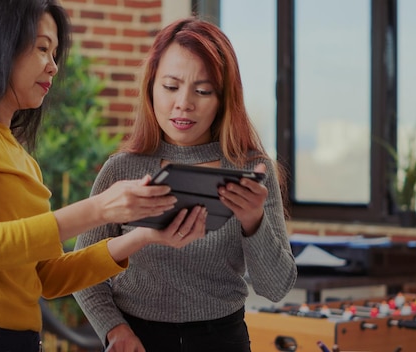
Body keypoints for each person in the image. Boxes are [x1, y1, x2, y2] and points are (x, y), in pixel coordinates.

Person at [0, 2, 209, 352]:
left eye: (55, 53)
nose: (53, 66)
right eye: (43, 48)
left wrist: (142, 236)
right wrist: (100, 209)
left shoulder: (20, 155)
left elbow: (46, 277)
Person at [73, 17, 297, 352]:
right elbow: (81, 270)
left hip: (223, 340)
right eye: (171, 86)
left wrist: (253, 221)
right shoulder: (121, 170)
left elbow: (277, 287)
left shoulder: (251, 172)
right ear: (151, 87)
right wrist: (114, 329)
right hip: (138, 340)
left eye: (203, 91)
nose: (184, 103)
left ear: (223, 99)